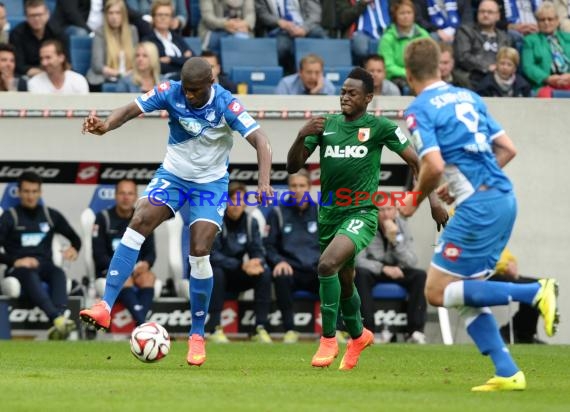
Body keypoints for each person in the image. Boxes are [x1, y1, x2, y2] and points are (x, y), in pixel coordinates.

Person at [79, 56, 273, 368]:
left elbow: (261, 140)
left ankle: (197, 336)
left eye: (196, 91)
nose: (190, 96)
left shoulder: (226, 103)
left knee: (199, 250)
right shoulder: (171, 90)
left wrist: (264, 181)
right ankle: (104, 305)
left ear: (211, 83)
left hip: (210, 184)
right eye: (187, 90)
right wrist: (106, 125)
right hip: (173, 176)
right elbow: (130, 109)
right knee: (139, 219)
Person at [400, 37, 559, 391]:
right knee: (463, 291)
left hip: (479, 208)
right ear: (440, 65)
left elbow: (433, 164)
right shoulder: (468, 96)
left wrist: (414, 199)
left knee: (437, 292)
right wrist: (457, 186)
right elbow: (507, 149)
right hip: (502, 198)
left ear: (409, 74)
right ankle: (507, 372)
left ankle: (534, 291)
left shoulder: (418, 109)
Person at [286, 66, 448, 370]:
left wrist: (433, 201)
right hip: (330, 215)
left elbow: (418, 163)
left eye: (352, 93)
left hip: (361, 212)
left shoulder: (381, 127)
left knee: (326, 265)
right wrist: (300, 135)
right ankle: (359, 336)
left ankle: (329, 338)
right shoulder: (325, 125)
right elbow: (293, 166)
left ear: (368, 98)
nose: (345, 97)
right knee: (345, 284)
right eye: (343, 91)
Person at [0, 172, 81, 340]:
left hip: (44, 266)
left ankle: (59, 319)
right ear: (19, 192)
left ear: (40, 192)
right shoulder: (9, 217)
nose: (31, 196)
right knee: (29, 274)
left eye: (34, 191)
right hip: (18, 269)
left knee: (58, 273)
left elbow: (75, 239)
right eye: (27, 191)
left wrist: (74, 248)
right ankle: (57, 318)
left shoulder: (50, 215)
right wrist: (16, 261)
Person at [209, 181, 273, 344]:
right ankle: (215, 327)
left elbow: (257, 249)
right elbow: (213, 255)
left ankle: (260, 327)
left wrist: (256, 261)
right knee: (217, 271)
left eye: (240, 200)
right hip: (220, 273)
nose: (236, 205)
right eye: (232, 200)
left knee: (264, 272)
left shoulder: (250, 222)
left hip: (238, 273)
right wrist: (241, 265)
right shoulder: (216, 221)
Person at [355, 203, 427, 344]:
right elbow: (358, 260)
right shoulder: (366, 226)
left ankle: (415, 331)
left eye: (389, 209)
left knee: (419, 275)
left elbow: (412, 261)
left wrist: (394, 242)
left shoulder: (402, 225)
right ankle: (367, 330)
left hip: (397, 268)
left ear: (395, 212)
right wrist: (382, 268)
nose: (385, 213)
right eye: (381, 210)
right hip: (374, 270)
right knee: (360, 274)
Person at [264, 169, 320, 344]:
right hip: (291, 268)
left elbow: (330, 243)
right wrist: (278, 261)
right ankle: (289, 329)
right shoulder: (277, 212)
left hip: (315, 268)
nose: (297, 190)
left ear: (309, 187)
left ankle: (332, 331)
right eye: (293, 186)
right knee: (281, 273)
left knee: (331, 275)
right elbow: (268, 245)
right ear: (288, 188)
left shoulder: (321, 211)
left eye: (302, 185)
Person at [92, 179, 157, 326]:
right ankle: (142, 325)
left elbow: (151, 253)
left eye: (130, 193)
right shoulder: (103, 218)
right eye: (122, 193)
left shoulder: (144, 218)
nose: (126, 197)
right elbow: (98, 255)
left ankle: (141, 326)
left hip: (137, 271)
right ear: (115, 195)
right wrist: (124, 268)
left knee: (149, 277)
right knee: (124, 278)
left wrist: (146, 264)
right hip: (110, 270)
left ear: (136, 197)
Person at [255, 0, 327, 74]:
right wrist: (279, 22)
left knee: (320, 36)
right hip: (282, 30)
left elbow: (315, 14)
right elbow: (263, 15)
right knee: (281, 47)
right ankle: (288, 78)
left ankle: (326, 75)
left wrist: (304, 29)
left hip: (306, 26)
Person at [454, 0, 511, 89]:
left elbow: (509, 59)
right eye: (482, 11)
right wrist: (487, 67)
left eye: (490, 12)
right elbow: (463, 57)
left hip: (499, 77)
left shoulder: (504, 37)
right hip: (474, 76)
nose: (485, 15)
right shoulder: (465, 31)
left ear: (498, 16)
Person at [491, 248, 544, 344]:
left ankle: (523, 333)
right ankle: (516, 333)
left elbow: (504, 253)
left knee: (542, 286)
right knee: (536, 288)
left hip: (502, 273)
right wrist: (505, 266)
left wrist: (511, 263)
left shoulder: (495, 234)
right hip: (486, 277)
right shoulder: (477, 234)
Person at [86, 0, 139, 91]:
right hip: (105, 78)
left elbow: (137, 60)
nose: (114, 17)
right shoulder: (100, 32)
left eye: (118, 13)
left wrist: (129, 74)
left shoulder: (132, 31)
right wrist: (120, 74)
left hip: (129, 78)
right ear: (106, 15)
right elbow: (97, 65)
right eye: (110, 13)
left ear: (124, 15)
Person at [379, 0, 429, 93]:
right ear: (395, 16)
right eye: (402, 13)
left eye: (409, 12)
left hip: (421, 76)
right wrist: (407, 73)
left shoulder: (423, 35)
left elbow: (429, 59)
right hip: (397, 78)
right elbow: (388, 66)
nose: (406, 16)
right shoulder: (387, 38)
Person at [521, 3, 570, 96]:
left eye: (550, 19)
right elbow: (528, 66)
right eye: (542, 20)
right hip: (545, 84)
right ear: (537, 22)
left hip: (568, 81)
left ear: (557, 20)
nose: (546, 22)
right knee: (546, 95)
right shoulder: (530, 41)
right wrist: (548, 78)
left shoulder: (568, 38)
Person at [9, 0, 62, 78]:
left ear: (47, 14)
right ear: (26, 17)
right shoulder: (17, 34)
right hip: (27, 75)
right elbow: (19, 66)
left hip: (54, 74)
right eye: (32, 15)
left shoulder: (58, 33)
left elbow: (65, 60)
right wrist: (43, 74)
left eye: (40, 15)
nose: (36, 18)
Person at [143, 0, 193, 79]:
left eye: (167, 15)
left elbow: (193, 59)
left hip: (185, 80)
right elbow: (159, 67)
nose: (163, 18)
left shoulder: (177, 37)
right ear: (153, 17)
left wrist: (170, 59)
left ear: (171, 19)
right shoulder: (148, 40)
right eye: (159, 15)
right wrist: (183, 59)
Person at [336, 0, 392, 65]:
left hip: (387, 31)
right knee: (361, 47)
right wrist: (363, 3)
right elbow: (344, 19)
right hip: (360, 33)